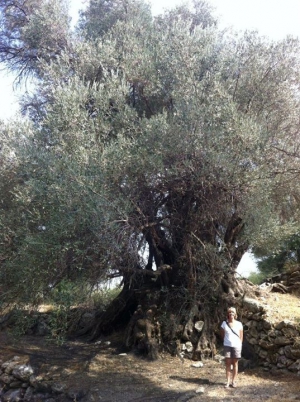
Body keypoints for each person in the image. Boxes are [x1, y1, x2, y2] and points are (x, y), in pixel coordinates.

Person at [220, 307, 243, 388]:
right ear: (228, 314)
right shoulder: (224, 324)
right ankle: (228, 381)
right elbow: (222, 335)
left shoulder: (239, 324)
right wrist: (226, 342)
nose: (231, 313)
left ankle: (233, 381)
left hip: (236, 346)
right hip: (227, 346)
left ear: (235, 314)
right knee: (228, 364)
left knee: (235, 363)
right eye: (230, 312)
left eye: (233, 312)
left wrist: (239, 344)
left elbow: (241, 336)